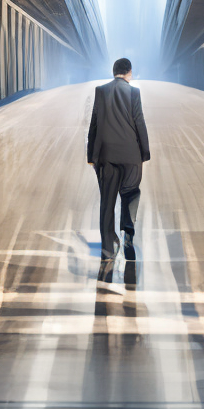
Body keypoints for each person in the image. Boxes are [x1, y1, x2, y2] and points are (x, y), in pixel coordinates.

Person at [86, 57, 151, 261]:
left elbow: (94, 124)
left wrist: (91, 156)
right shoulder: (134, 92)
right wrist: (145, 152)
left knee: (107, 201)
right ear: (129, 72)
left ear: (113, 72)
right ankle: (128, 237)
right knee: (130, 195)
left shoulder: (101, 91)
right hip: (131, 156)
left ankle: (107, 248)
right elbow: (139, 122)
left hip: (106, 157)